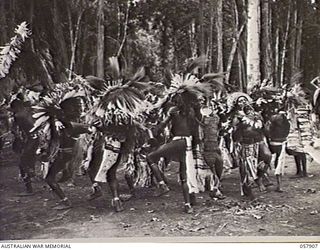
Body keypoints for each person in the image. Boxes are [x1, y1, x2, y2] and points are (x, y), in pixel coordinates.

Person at [147, 91, 201, 213]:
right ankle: (188, 204)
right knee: (183, 176)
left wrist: (153, 130)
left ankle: (162, 184)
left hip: (178, 141)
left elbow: (162, 126)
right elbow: (195, 131)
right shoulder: (191, 112)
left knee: (150, 157)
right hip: (187, 143)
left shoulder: (173, 110)